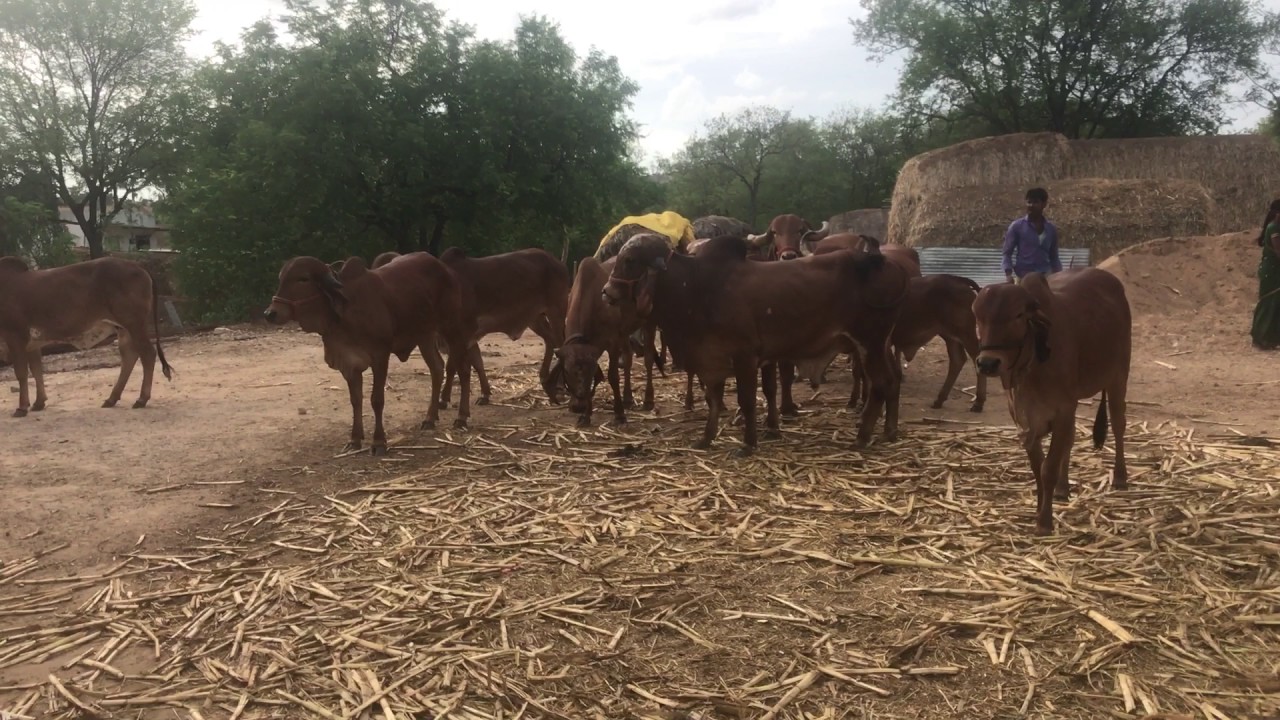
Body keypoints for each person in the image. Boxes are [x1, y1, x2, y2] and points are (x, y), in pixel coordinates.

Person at [1001, 187, 1062, 283]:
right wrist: (1008, 274)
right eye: (1029, 202)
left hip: (1045, 278)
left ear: (1044, 204)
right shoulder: (1017, 226)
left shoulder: (1051, 229)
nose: (1031, 205)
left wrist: (1059, 276)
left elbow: (1054, 256)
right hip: (1023, 277)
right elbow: (1007, 253)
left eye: (1035, 202)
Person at [1250, 199, 1280, 351]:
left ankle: (1271, 338)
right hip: (1272, 271)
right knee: (1268, 303)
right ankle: (1260, 337)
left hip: (1276, 270)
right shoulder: (1273, 228)